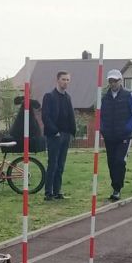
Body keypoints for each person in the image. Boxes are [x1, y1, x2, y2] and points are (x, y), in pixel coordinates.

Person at [100, 69, 132, 201]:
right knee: (111, 162)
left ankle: (117, 188)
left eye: (115, 81)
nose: (113, 83)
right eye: (111, 81)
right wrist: (102, 129)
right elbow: (100, 115)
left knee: (119, 161)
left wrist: (127, 129)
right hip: (109, 136)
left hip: (124, 136)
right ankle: (114, 186)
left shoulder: (129, 95)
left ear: (120, 81)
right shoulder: (105, 97)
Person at [41, 71, 76, 201]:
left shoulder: (68, 97)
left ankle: (57, 191)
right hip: (54, 135)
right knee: (53, 164)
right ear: (57, 80)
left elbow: (71, 116)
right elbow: (45, 116)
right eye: (63, 79)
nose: (65, 82)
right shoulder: (49, 96)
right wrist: (54, 131)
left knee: (61, 164)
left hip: (66, 135)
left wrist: (72, 132)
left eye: (67, 80)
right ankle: (48, 192)